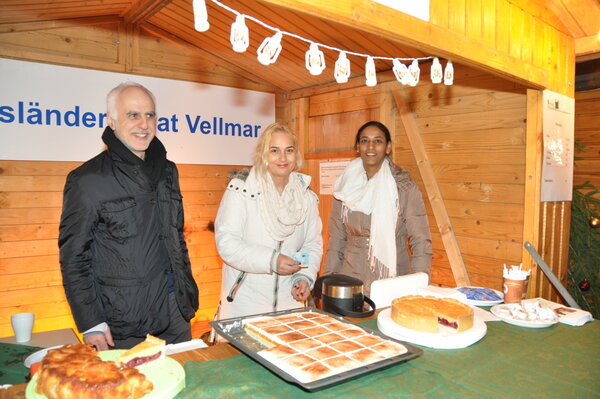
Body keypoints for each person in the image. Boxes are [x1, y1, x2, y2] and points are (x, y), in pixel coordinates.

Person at [58, 82, 199, 350]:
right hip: (125, 322)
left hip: (176, 311)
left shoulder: (169, 171)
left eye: (150, 115)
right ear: (111, 121)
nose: (144, 124)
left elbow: (175, 237)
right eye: (133, 115)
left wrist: (187, 296)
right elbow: (74, 258)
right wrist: (91, 323)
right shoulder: (86, 180)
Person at [214, 123, 323, 321]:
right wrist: (271, 260)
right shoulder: (241, 190)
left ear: (296, 154)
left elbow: (311, 244)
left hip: (291, 305)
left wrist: (303, 278)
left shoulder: (306, 197)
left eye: (289, 150)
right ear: (263, 154)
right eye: (274, 151)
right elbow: (227, 243)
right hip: (245, 306)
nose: (282, 158)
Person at [323, 121, 432, 296]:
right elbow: (336, 239)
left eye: (378, 141)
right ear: (358, 146)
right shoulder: (344, 187)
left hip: (392, 277)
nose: (370, 146)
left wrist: (419, 286)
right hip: (349, 276)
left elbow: (420, 242)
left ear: (388, 147)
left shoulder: (404, 187)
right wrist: (328, 280)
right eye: (365, 141)